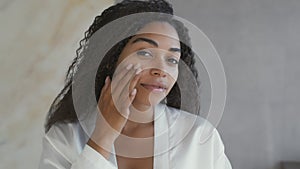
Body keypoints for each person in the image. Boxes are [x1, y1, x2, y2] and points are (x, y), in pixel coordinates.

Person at [39, 0, 232, 168]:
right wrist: (102, 139)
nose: (161, 69)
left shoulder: (199, 136)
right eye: (145, 53)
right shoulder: (65, 138)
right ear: (110, 58)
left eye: (172, 60)